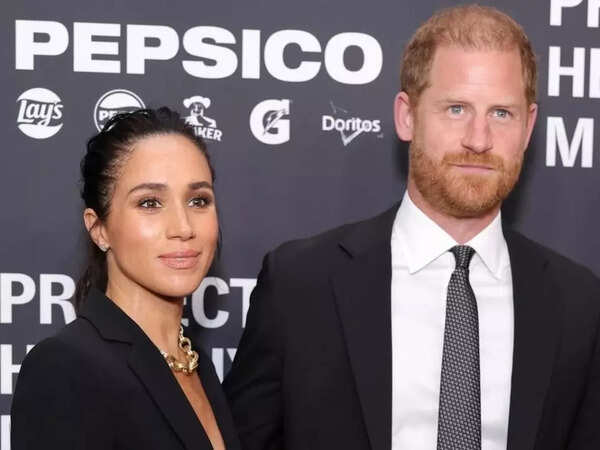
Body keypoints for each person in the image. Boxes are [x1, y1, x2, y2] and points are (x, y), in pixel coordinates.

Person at [223, 5, 600, 450]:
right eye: (456, 109)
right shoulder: (300, 285)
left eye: (502, 113)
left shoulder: (578, 304)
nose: (479, 139)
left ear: (529, 125)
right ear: (407, 116)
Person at [11, 108, 240, 450]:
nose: (183, 227)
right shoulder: (65, 367)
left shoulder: (196, 365)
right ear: (99, 229)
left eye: (198, 200)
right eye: (150, 203)